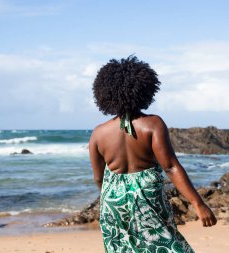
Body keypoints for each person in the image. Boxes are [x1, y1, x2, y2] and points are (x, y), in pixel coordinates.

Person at [89, 56, 217, 253]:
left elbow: (99, 178)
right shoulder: (153, 124)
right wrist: (198, 204)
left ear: (105, 93)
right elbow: (171, 167)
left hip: (112, 201)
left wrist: (112, 199)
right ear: (144, 89)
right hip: (147, 195)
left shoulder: (98, 133)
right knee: (164, 244)